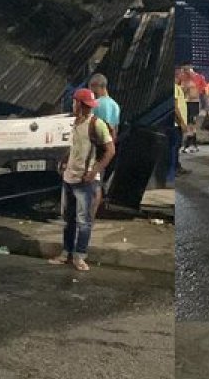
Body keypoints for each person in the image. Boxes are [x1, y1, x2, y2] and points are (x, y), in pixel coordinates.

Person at [49, 88, 115, 272]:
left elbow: (110, 150)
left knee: (84, 221)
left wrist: (94, 172)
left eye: (87, 106)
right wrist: (64, 162)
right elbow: (75, 147)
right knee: (68, 219)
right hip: (69, 178)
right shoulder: (75, 123)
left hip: (86, 181)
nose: (86, 109)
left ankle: (80, 256)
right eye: (84, 105)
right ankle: (66, 253)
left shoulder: (97, 124)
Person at [89, 73, 120, 211]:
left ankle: (90, 214)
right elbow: (115, 130)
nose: (91, 92)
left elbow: (107, 126)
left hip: (98, 148)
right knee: (98, 181)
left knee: (94, 182)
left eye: (91, 88)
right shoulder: (114, 104)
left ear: (98, 86)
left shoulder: (100, 104)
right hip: (108, 148)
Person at [170, 69, 190, 179]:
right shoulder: (175, 88)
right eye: (182, 73)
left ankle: (177, 166)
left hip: (178, 123)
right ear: (177, 75)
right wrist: (181, 122)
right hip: (176, 124)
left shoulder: (178, 88)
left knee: (177, 146)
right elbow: (175, 107)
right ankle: (173, 169)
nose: (184, 75)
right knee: (174, 146)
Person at [179, 64, 202, 153]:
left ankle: (191, 144)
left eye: (187, 70)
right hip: (185, 102)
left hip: (194, 103)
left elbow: (201, 92)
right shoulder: (183, 79)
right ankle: (190, 144)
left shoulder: (198, 78)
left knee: (192, 124)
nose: (186, 72)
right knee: (188, 124)